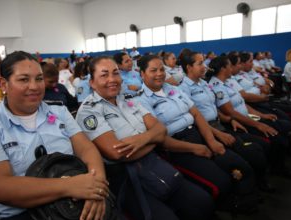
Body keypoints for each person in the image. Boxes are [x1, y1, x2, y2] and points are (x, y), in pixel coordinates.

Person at [0, 51, 110, 220]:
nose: (34, 86)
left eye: (39, 78)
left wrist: (96, 189)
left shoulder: (59, 111)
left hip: (76, 200)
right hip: (25, 213)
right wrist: (68, 186)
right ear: (3, 84)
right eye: (24, 79)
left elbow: (86, 149)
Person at [76, 56, 214, 220]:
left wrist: (141, 140)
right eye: (104, 75)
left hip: (152, 162)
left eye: (115, 73)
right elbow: (118, 153)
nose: (112, 79)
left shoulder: (128, 99)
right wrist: (153, 139)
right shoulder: (89, 111)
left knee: (202, 201)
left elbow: (161, 130)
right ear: (91, 82)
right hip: (124, 178)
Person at [137, 55, 259, 213]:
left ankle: (242, 200)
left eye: (161, 69)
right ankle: (227, 205)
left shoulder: (173, 89)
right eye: (153, 70)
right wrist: (195, 148)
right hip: (178, 146)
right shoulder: (141, 101)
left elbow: (196, 114)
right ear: (142, 74)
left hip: (199, 132)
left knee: (237, 163)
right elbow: (161, 138)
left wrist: (211, 140)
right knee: (221, 181)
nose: (159, 73)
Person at [179, 51, 273, 192]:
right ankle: (247, 194)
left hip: (219, 124)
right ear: (189, 67)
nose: (204, 66)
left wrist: (229, 119)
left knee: (257, 147)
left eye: (204, 62)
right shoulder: (183, 88)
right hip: (207, 130)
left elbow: (213, 107)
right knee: (249, 154)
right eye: (200, 63)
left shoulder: (204, 83)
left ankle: (258, 184)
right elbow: (195, 117)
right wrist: (218, 133)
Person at [207, 56, 291, 179]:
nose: (232, 68)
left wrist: (262, 116)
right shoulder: (216, 86)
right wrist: (259, 124)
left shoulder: (228, 81)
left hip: (248, 116)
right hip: (239, 121)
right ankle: (275, 170)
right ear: (223, 68)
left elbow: (243, 104)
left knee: (279, 128)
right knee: (275, 137)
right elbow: (231, 112)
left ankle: (277, 166)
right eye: (230, 65)